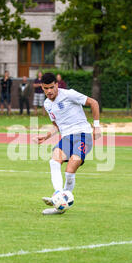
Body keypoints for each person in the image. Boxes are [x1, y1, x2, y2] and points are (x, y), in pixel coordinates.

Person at [35, 72, 101, 215]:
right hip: (66, 138)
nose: (49, 91)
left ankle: (60, 203)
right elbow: (57, 125)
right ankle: (58, 196)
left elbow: (93, 103)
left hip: (83, 135)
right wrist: (46, 136)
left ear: (57, 85)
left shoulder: (69, 94)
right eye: (46, 88)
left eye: (52, 87)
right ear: (42, 87)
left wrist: (96, 126)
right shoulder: (47, 104)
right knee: (54, 161)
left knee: (70, 170)